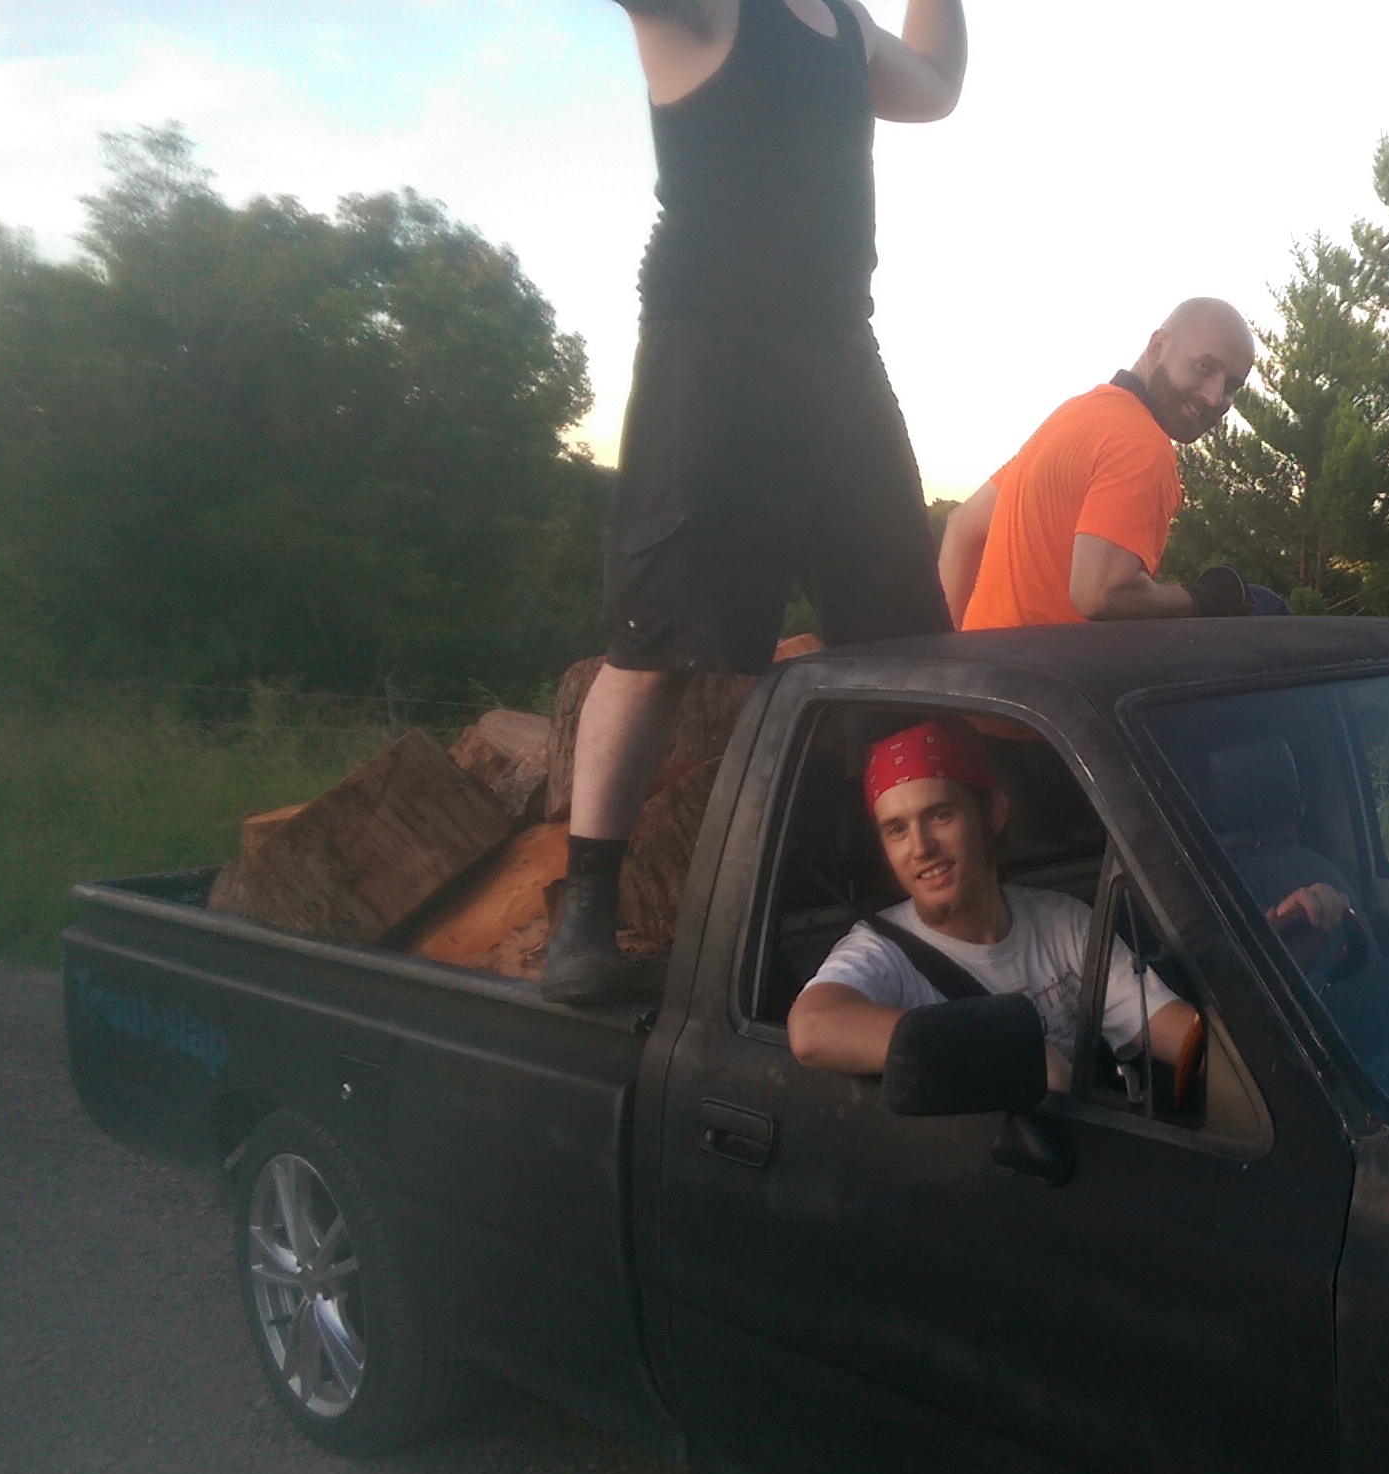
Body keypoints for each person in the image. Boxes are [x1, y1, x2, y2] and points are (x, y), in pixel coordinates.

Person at [547, 0, 969, 1004]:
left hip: (841, 356)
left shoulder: (846, 23)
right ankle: (584, 914)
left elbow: (936, 90)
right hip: (713, 345)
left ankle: (904, 902)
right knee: (658, 641)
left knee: (905, 648)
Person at [789, 718, 1201, 1089]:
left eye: (940, 815)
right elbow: (812, 1029)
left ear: (994, 813)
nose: (921, 848)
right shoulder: (881, 952)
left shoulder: (1062, 922)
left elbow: (1187, 1043)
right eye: (897, 829)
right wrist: (1011, 1054)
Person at [936, 299, 1289, 629]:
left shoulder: (1073, 415)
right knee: (1265, 608)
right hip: (1057, 673)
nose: (1214, 397)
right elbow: (1099, 594)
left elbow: (963, 525)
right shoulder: (1142, 443)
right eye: (1204, 367)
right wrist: (1203, 599)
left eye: (1231, 386)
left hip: (983, 668)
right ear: (1157, 347)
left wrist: (944, 656)